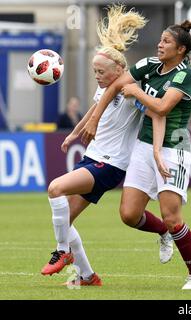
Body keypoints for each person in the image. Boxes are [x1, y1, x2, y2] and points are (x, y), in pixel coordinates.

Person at [40, 4, 173, 286]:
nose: (97, 76)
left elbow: (156, 113)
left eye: (102, 71)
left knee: (55, 188)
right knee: (67, 221)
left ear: (120, 71)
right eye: (94, 71)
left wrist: (157, 151)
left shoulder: (130, 92)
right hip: (93, 158)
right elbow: (92, 113)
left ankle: (63, 253)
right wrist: (74, 134)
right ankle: (88, 276)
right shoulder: (104, 88)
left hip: (110, 165)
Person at [80, 20, 191, 290]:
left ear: (181, 49)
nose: (160, 44)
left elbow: (161, 108)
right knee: (128, 213)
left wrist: (137, 91)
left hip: (174, 148)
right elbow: (114, 86)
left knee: (172, 216)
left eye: (166, 42)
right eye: (160, 40)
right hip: (144, 145)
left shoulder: (186, 75)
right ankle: (163, 233)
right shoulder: (150, 64)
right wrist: (93, 120)